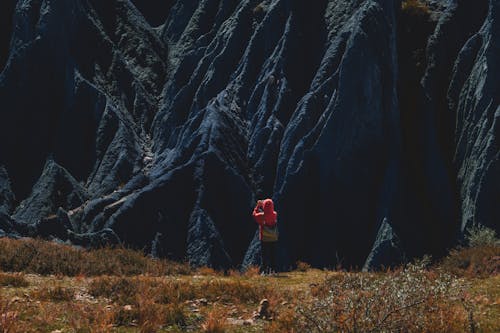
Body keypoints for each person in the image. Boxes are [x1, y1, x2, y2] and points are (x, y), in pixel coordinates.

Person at [252, 198, 278, 274]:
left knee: (265, 256)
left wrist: (257, 206)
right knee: (272, 255)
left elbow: (254, 214)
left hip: (264, 239)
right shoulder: (275, 214)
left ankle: (265, 271)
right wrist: (264, 203)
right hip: (273, 238)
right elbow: (269, 208)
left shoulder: (261, 216)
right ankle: (273, 270)